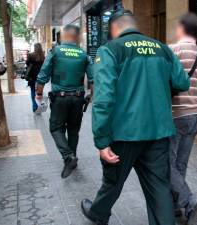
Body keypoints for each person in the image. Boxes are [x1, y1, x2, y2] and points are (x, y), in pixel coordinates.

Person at [81, 10, 190, 225]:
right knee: (159, 188)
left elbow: (103, 99)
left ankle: (98, 214)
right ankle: (98, 213)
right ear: (134, 25)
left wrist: (101, 141)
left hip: (124, 133)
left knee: (113, 182)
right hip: (158, 133)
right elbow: (182, 83)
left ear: (113, 29)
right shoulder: (163, 49)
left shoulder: (110, 50)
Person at [36, 25, 93, 179]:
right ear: (77, 37)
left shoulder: (55, 52)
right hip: (78, 98)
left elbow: (43, 75)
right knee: (74, 130)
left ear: (63, 36)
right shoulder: (84, 54)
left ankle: (68, 157)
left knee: (55, 128)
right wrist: (90, 96)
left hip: (60, 98)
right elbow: (93, 79)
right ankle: (72, 158)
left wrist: (39, 94)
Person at [168, 13, 197, 225]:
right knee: (180, 162)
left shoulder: (175, 50)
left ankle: (189, 201)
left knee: (166, 162)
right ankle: (176, 206)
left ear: (182, 28)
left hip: (178, 114)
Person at [26, 43, 45, 113]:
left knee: (33, 91)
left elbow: (27, 63)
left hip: (32, 77)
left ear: (34, 47)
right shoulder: (43, 56)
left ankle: (35, 106)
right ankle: (39, 107)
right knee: (40, 92)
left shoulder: (30, 55)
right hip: (41, 77)